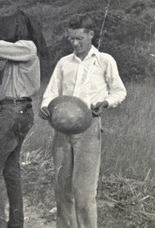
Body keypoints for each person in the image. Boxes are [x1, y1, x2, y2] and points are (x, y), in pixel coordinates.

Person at [38, 14, 127, 228]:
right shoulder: (63, 63)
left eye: (79, 38)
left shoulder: (104, 60)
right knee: (62, 188)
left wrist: (106, 102)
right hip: (61, 129)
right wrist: (45, 107)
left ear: (91, 35)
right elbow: (50, 93)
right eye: (71, 39)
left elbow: (119, 91)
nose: (75, 43)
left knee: (85, 191)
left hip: (89, 129)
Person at [0, 37, 41, 228]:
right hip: (17, 111)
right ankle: (15, 223)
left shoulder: (27, 46)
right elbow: (0, 80)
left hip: (13, 112)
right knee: (10, 169)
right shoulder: (15, 57)